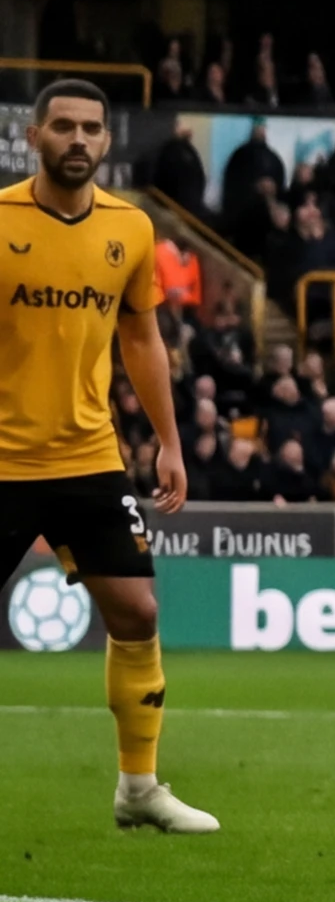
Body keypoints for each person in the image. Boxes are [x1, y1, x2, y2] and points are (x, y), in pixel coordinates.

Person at [3, 82, 216, 834]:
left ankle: (139, 789)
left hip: (88, 459)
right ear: (35, 138)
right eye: (63, 126)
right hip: (2, 462)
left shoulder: (129, 227)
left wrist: (169, 439)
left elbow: (141, 338)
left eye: (92, 128)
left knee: (136, 611)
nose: (79, 139)